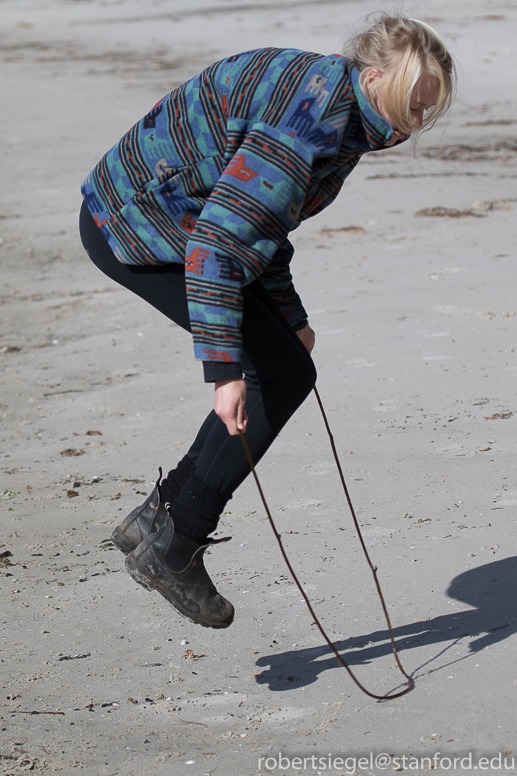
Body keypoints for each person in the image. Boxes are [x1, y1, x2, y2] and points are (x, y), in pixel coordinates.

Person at [79, 14, 455, 630]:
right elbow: (218, 249)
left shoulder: (346, 110)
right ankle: (176, 542)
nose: (415, 123)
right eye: (412, 104)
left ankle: (157, 518)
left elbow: (262, 223)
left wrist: (289, 316)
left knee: (285, 359)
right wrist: (224, 370)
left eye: (427, 110)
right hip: (139, 227)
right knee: (275, 375)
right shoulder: (311, 124)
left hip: (178, 217)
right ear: (374, 74)